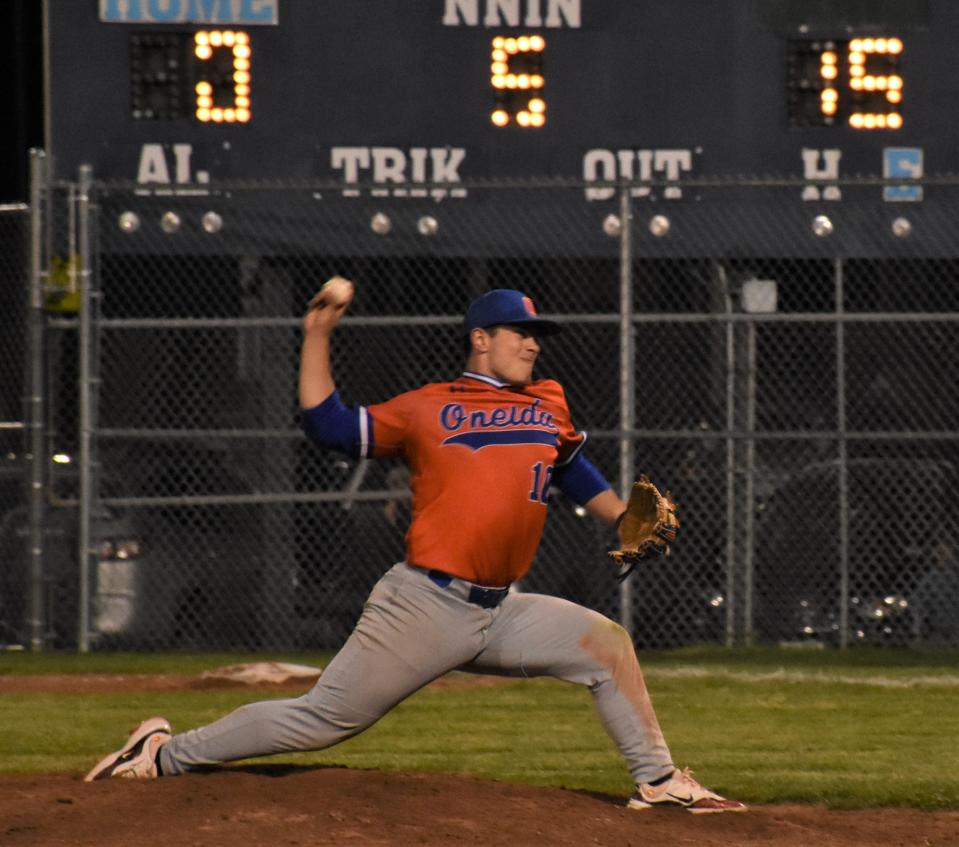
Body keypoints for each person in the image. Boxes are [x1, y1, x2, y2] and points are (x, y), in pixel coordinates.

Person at [84, 286, 746, 814]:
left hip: (502, 609)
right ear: (480, 338)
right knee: (322, 718)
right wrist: (317, 335)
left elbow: (572, 469)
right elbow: (330, 425)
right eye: (520, 333)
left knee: (607, 644)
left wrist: (620, 519)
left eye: (536, 336)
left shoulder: (547, 401)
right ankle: (161, 753)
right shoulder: (427, 406)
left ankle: (657, 780)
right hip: (425, 604)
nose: (531, 346)